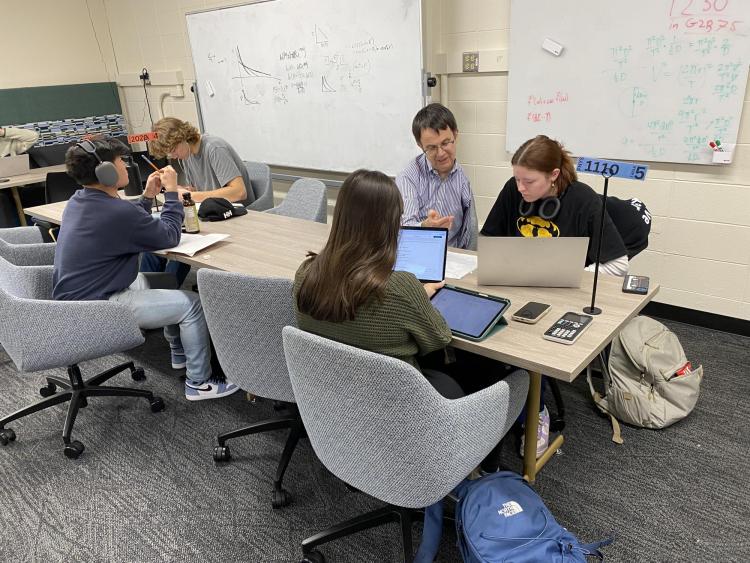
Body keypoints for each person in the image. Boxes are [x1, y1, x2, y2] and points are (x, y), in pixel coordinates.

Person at [294, 169, 522, 472]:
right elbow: (440, 338)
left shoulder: (306, 274)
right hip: (404, 413)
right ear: (389, 225)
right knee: (500, 368)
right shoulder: (400, 289)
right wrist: (420, 296)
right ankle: (483, 469)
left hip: (342, 405)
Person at [52, 137, 238, 402]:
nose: (126, 167)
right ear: (105, 171)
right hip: (99, 305)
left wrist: (149, 196)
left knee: (166, 281)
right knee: (193, 304)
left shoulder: (79, 201)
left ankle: (180, 353)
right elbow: (170, 235)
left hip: (80, 297)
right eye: (120, 162)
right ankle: (200, 382)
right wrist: (172, 192)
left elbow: (128, 218)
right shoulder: (115, 211)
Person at [481, 135, 629, 456]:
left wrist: (572, 278)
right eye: (517, 178)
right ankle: (490, 408)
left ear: (553, 176)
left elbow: (618, 263)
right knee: (483, 338)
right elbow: (488, 238)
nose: (519, 187)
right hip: (516, 288)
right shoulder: (513, 188)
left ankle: (536, 413)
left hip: (560, 296)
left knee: (530, 349)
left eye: (528, 181)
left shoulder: (584, 201)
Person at [142, 117, 254, 286]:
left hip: (233, 214)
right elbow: (199, 190)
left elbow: (239, 192)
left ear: (182, 137)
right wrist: (178, 188)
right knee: (157, 243)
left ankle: (166, 291)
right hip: (207, 214)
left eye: (173, 150)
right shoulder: (185, 156)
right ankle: (148, 290)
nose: (172, 156)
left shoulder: (214, 148)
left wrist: (189, 196)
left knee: (179, 246)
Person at [396, 103, 474, 249]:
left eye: (445, 143)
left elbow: (468, 230)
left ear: (455, 134)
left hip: (454, 256)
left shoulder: (461, 176)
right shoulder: (409, 177)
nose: (441, 153)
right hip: (419, 252)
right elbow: (405, 230)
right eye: (431, 148)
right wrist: (425, 227)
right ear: (420, 145)